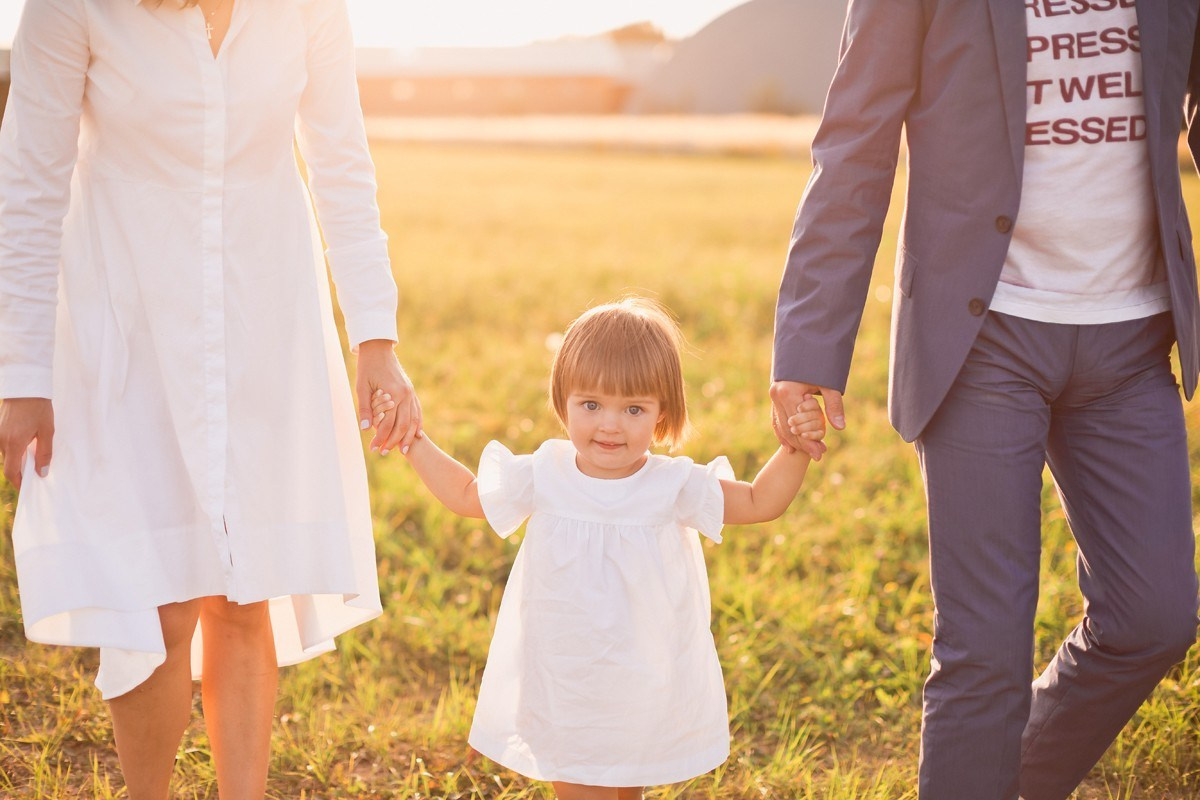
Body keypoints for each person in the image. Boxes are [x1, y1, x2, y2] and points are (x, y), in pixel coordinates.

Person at [771, 2, 1200, 799]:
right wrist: (809, 345)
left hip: (1132, 337)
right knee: (984, 649)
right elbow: (855, 144)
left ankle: (1007, 781)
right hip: (982, 337)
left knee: (1156, 619)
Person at [0, 0, 419, 797]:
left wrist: (376, 339)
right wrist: (22, 375)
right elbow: (26, 185)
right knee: (155, 597)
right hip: (124, 325)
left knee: (245, 589)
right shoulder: (72, 7)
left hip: (265, 319)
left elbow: (342, 164)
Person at [393, 297, 823, 800]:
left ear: (663, 414)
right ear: (564, 402)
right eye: (591, 405)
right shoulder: (546, 473)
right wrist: (412, 440)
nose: (610, 425)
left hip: (640, 675)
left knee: (624, 787)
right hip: (568, 675)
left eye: (634, 408)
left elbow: (758, 501)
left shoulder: (671, 485)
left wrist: (795, 446)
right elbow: (467, 495)